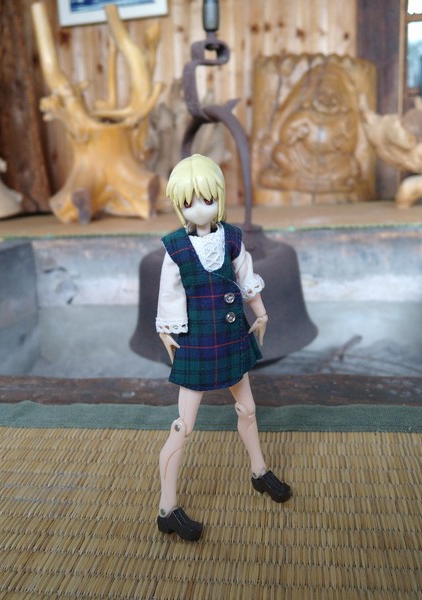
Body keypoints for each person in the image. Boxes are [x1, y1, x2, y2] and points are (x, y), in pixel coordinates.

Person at [154, 154, 291, 542]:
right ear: (179, 206)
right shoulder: (175, 248)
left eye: (208, 199)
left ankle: (259, 471)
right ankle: (167, 508)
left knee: (248, 408)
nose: (199, 208)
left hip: (231, 338)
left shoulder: (232, 238)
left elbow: (246, 276)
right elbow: (169, 293)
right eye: (189, 202)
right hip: (197, 344)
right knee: (183, 426)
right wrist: (167, 330)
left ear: (220, 197)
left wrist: (260, 313)